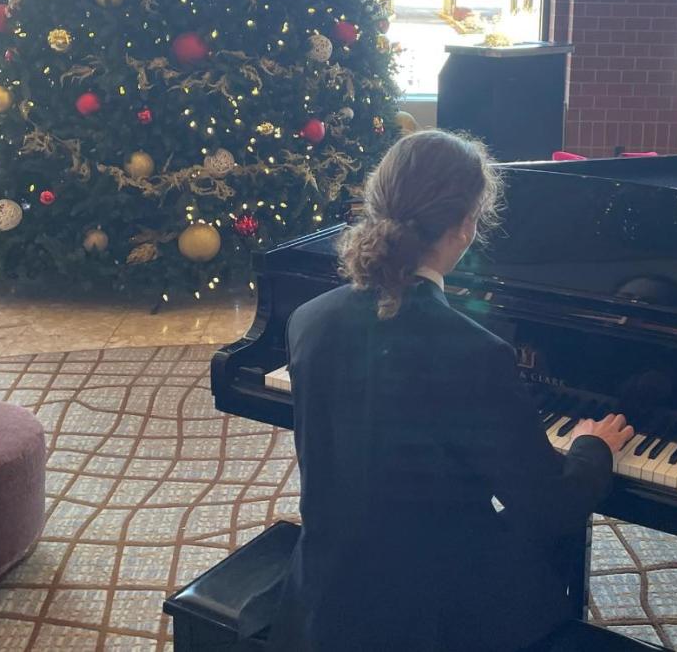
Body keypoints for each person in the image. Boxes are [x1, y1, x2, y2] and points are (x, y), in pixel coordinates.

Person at [263, 129, 634, 652]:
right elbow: (548, 508)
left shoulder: (309, 319)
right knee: (534, 563)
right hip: (436, 619)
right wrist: (592, 448)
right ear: (465, 226)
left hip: (326, 597)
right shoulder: (474, 353)